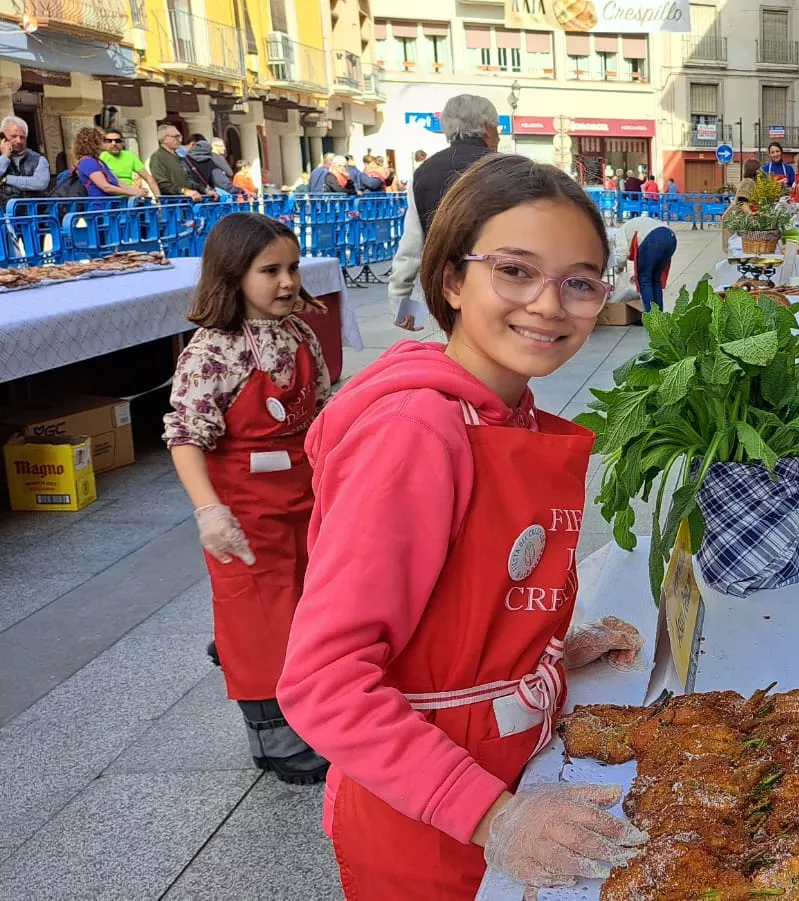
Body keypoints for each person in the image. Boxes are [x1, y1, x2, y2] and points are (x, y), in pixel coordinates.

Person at [277, 155, 646, 899]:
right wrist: (495, 817)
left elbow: (457, 601)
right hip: (428, 815)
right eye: (514, 270)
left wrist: (535, 650)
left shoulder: (503, 414)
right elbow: (323, 681)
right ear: (450, 279)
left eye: (578, 281)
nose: (549, 304)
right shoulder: (416, 431)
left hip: (503, 767)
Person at [164, 212, 333, 783]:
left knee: (309, 608)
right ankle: (273, 738)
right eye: (270, 271)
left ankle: (313, 707)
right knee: (258, 620)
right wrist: (208, 511)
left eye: (292, 268)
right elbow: (186, 436)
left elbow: (324, 413)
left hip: (304, 498)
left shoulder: (300, 334)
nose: (287, 282)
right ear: (233, 275)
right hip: (243, 511)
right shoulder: (212, 351)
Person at [390, 94, 501, 331]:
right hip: (498, 283)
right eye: (496, 126)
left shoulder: (424, 173)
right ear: (485, 127)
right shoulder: (503, 168)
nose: (499, 134)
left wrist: (401, 303)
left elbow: (411, 245)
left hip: (446, 287)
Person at [613, 214, 677, 313]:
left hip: (652, 240)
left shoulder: (619, 233)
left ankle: (651, 316)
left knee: (645, 279)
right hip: (670, 237)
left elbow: (621, 254)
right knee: (655, 279)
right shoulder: (633, 224)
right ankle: (659, 314)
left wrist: (618, 269)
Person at [73, 127, 145, 198]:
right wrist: (133, 192)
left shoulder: (99, 161)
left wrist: (136, 190)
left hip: (112, 204)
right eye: (104, 140)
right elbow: (105, 187)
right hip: (101, 206)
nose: (109, 143)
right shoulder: (88, 162)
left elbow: (116, 181)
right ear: (94, 143)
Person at [98, 128, 160, 198]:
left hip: (130, 198)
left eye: (117, 141)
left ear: (122, 143)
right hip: (110, 198)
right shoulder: (100, 157)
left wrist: (158, 199)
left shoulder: (130, 156)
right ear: (104, 143)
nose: (114, 143)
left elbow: (148, 177)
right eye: (109, 141)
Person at [0, 116, 50, 198]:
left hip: (32, 209)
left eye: (22, 137)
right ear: (3, 137)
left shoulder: (39, 159)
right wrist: (5, 157)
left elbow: (40, 183)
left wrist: (6, 179)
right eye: (14, 136)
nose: (19, 141)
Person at [150, 125, 199, 199]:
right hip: (173, 203)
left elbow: (189, 180)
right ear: (165, 139)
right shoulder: (157, 157)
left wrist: (205, 190)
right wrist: (184, 191)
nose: (180, 140)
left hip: (189, 200)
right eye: (176, 137)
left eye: (180, 136)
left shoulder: (179, 156)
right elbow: (163, 184)